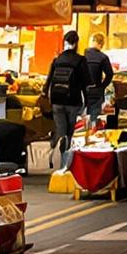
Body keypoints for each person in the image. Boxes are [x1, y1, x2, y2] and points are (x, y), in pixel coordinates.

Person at [45, 34, 89, 165]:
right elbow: (87, 82)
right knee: (70, 132)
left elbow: (48, 81)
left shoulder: (57, 59)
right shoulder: (80, 60)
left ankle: (51, 157)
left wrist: (47, 96)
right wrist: (87, 102)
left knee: (60, 130)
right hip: (73, 100)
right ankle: (65, 162)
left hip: (57, 100)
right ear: (76, 43)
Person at [80, 39, 116, 127]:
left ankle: (81, 135)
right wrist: (102, 86)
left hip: (83, 91)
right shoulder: (102, 57)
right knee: (94, 118)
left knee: (81, 118)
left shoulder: (82, 57)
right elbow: (109, 74)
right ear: (101, 44)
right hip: (96, 91)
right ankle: (92, 133)